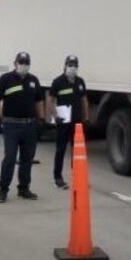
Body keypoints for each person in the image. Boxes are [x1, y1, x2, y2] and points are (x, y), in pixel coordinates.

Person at [0, 51, 45, 202]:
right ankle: (2, 189)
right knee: (10, 157)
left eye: (27, 63)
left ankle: (24, 188)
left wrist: (41, 118)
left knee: (27, 159)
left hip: (29, 126)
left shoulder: (34, 80)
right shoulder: (6, 79)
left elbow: (39, 101)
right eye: (21, 62)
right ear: (15, 63)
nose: (24, 65)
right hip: (11, 125)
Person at [47, 55, 89, 189]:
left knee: (77, 152)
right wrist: (55, 116)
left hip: (77, 122)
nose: (73, 67)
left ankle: (78, 177)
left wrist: (86, 117)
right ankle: (57, 178)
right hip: (63, 121)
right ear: (65, 65)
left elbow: (84, 100)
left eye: (75, 65)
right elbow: (50, 100)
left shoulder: (80, 81)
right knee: (60, 149)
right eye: (70, 65)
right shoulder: (58, 81)